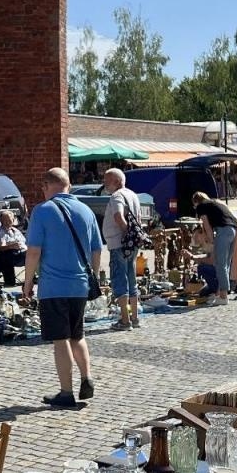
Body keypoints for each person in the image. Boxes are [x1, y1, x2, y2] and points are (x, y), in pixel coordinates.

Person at [23, 168, 104, 408]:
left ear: (47, 186)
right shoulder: (86, 210)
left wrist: (28, 283)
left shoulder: (42, 211)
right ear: (68, 185)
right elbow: (97, 249)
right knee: (77, 335)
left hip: (53, 286)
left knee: (60, 340)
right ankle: (87, 376)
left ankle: (66, 392)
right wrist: (95, 277)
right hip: (80, 285)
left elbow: (34, 251)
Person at [101, 167, 144, 330]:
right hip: (130, 245)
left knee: (120, 280)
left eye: (107, 181)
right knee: (131, 278)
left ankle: (125, 321)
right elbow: (138, 219)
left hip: (119, 243)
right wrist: (133, 237)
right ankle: (135, 318)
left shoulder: (116, 196)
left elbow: (118, 216)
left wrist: (127, 234)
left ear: (117, 181)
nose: (104, 184)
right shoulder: (133, 195)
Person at [194, 190, 237, 305]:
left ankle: (223, 297)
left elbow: (207, 226)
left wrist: (212, 242)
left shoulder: (202, 206)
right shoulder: (216, 202)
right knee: (226, 264)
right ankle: (220, 294)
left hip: (223, 230)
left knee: (220, 264)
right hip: (235, 229)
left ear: (196, 202)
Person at [0, 209, 26, 286]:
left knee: (36, 253)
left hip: (22, 252)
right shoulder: (0, 232)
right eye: (5, 220)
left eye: (10, 220)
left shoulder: (16, 230)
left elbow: (24, 242)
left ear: (13, 220)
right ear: (1, 221)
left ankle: (33, 277)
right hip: (11, 254)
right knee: (6, 255)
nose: (7, 222)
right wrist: (12, 245)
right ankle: (10, 281)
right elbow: (1, 247)